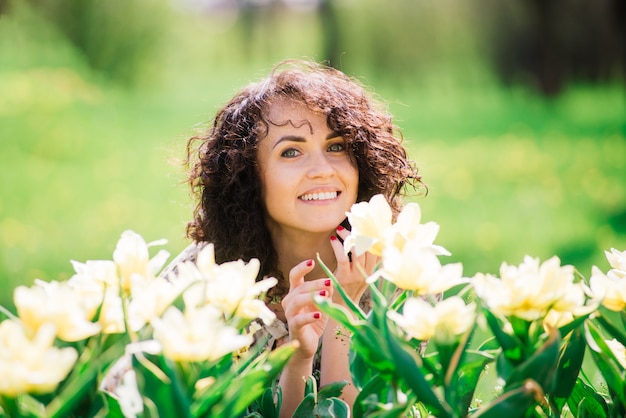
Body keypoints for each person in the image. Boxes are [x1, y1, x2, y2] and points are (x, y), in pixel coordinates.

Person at [174, 59, 421, 414]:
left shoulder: (401, 276)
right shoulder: (201, 279)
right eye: (291, 152)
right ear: (247, 176)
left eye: (337, 146)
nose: (322, 171)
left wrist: (342, 315)